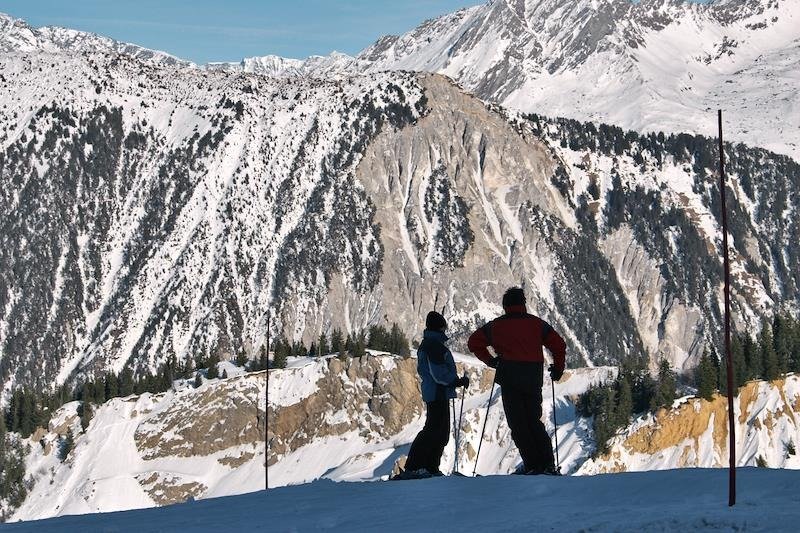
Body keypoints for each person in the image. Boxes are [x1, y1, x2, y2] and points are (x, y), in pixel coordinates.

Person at [467, 287, 566, 475]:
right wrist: (558, 368)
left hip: (510, 377)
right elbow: (559, 345)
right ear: (524, 304)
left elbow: (473, 343)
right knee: (534, 421)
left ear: (505, 306)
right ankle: (547, 464)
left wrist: (491, 360)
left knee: (519, 424)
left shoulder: (496, 326)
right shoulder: (537, 324)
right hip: (532, 377)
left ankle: (532, 465)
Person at [393, 311, 469, 480]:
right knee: (434, 430)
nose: (445, 330)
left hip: (436, 392)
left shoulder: (430, 344)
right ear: (440, 327)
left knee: (439, 432)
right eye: (444, 327)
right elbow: (438, 374)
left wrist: (453, 382)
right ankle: (418, 467)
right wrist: (455, 382)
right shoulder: (434, 346)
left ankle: (429, 467)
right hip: (438, 392)